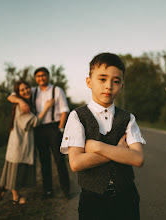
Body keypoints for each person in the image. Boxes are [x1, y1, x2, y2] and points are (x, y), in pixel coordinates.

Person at [60, 52, 146, 219]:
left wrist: (98, 147)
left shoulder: (128, 118)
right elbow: (76, 163)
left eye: (116, 81)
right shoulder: (77, 116)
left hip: (127, 197)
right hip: (93, 201)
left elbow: (138, 159)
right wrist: (120, 151)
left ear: (121, 86)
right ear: (89, 82)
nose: (109, 86)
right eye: (102, 79)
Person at [7, 67, 70, 199]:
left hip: (54, 128)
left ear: (48, 76)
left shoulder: (57, 90)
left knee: (59, 160)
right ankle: (48, 191)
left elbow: (64, 110)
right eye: (38, 76)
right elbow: (11, 96)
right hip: (39, 130)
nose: (41, 78)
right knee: (44, 161)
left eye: (43, 75)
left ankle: (66, 189)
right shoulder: (33, 91)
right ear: (36, 78)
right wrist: (19, 100)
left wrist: (60, 129)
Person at [0, 81, 54, 204]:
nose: (26, 91)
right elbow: (35, 122)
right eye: (22, 90)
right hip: (20, 144)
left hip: (19, 142)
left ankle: (5, 187)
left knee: (15, 170)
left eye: (27, 88)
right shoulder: (21, 107)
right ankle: (15, 198)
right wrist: (47, 107)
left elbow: (11, 95)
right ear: (19, 93)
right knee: (17, 171)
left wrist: (20, 100)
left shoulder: (23, 102)